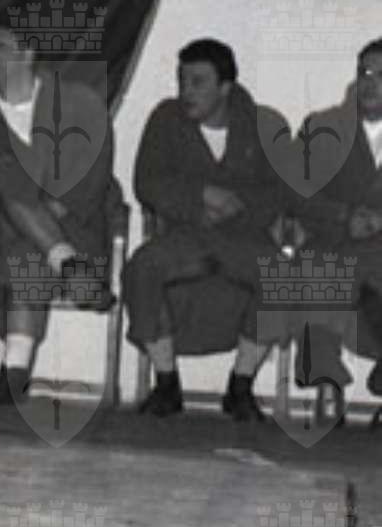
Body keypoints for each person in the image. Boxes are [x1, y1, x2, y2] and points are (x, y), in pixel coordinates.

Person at [0, 21, 116, 404]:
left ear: (28, 54)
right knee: (3, 175)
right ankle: (69, 267)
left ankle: (13, 374)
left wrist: (55, 206)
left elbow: (97, 165)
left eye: (0, 47)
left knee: (28, 256)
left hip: (76, 226)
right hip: (6, 236)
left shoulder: (78, 103)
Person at [125, 38, 285, 421]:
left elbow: (280, 191)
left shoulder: (263, 125)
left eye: (198, 82)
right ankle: (166, 384)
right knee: (141, 267)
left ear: (225, 87)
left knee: (282, 276)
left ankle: (240, 387)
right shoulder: (165, 118)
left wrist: (235, 205)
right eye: (182, 81)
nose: (186, 92)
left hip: (244, 237)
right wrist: (200, 197)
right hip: (185, 234)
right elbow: (147, 182)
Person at [288, 35, 382, 413]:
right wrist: (344, 217)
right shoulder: (322, 126)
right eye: (365, 73)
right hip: (334, 240)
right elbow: (294, 192)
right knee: (317, 272)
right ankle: (327, 383)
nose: (371, 83)